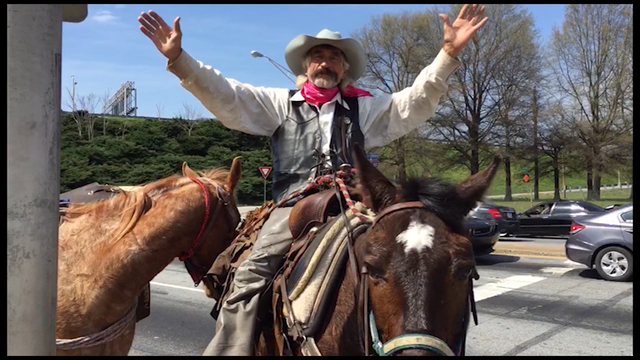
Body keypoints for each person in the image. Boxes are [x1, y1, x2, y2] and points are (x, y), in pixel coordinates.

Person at [139, 4, 488, 355]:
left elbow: (414, 102)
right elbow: (227, 95)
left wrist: (448, 54)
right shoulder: (278, 104)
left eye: (333, 57)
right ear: (306, 67)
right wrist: (180, 59)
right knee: (248, 277)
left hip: (353, 204)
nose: (325, 62)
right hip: (293, 207)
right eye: (317, 56)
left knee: (415, 259)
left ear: (344, 68)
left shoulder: (364, 108)